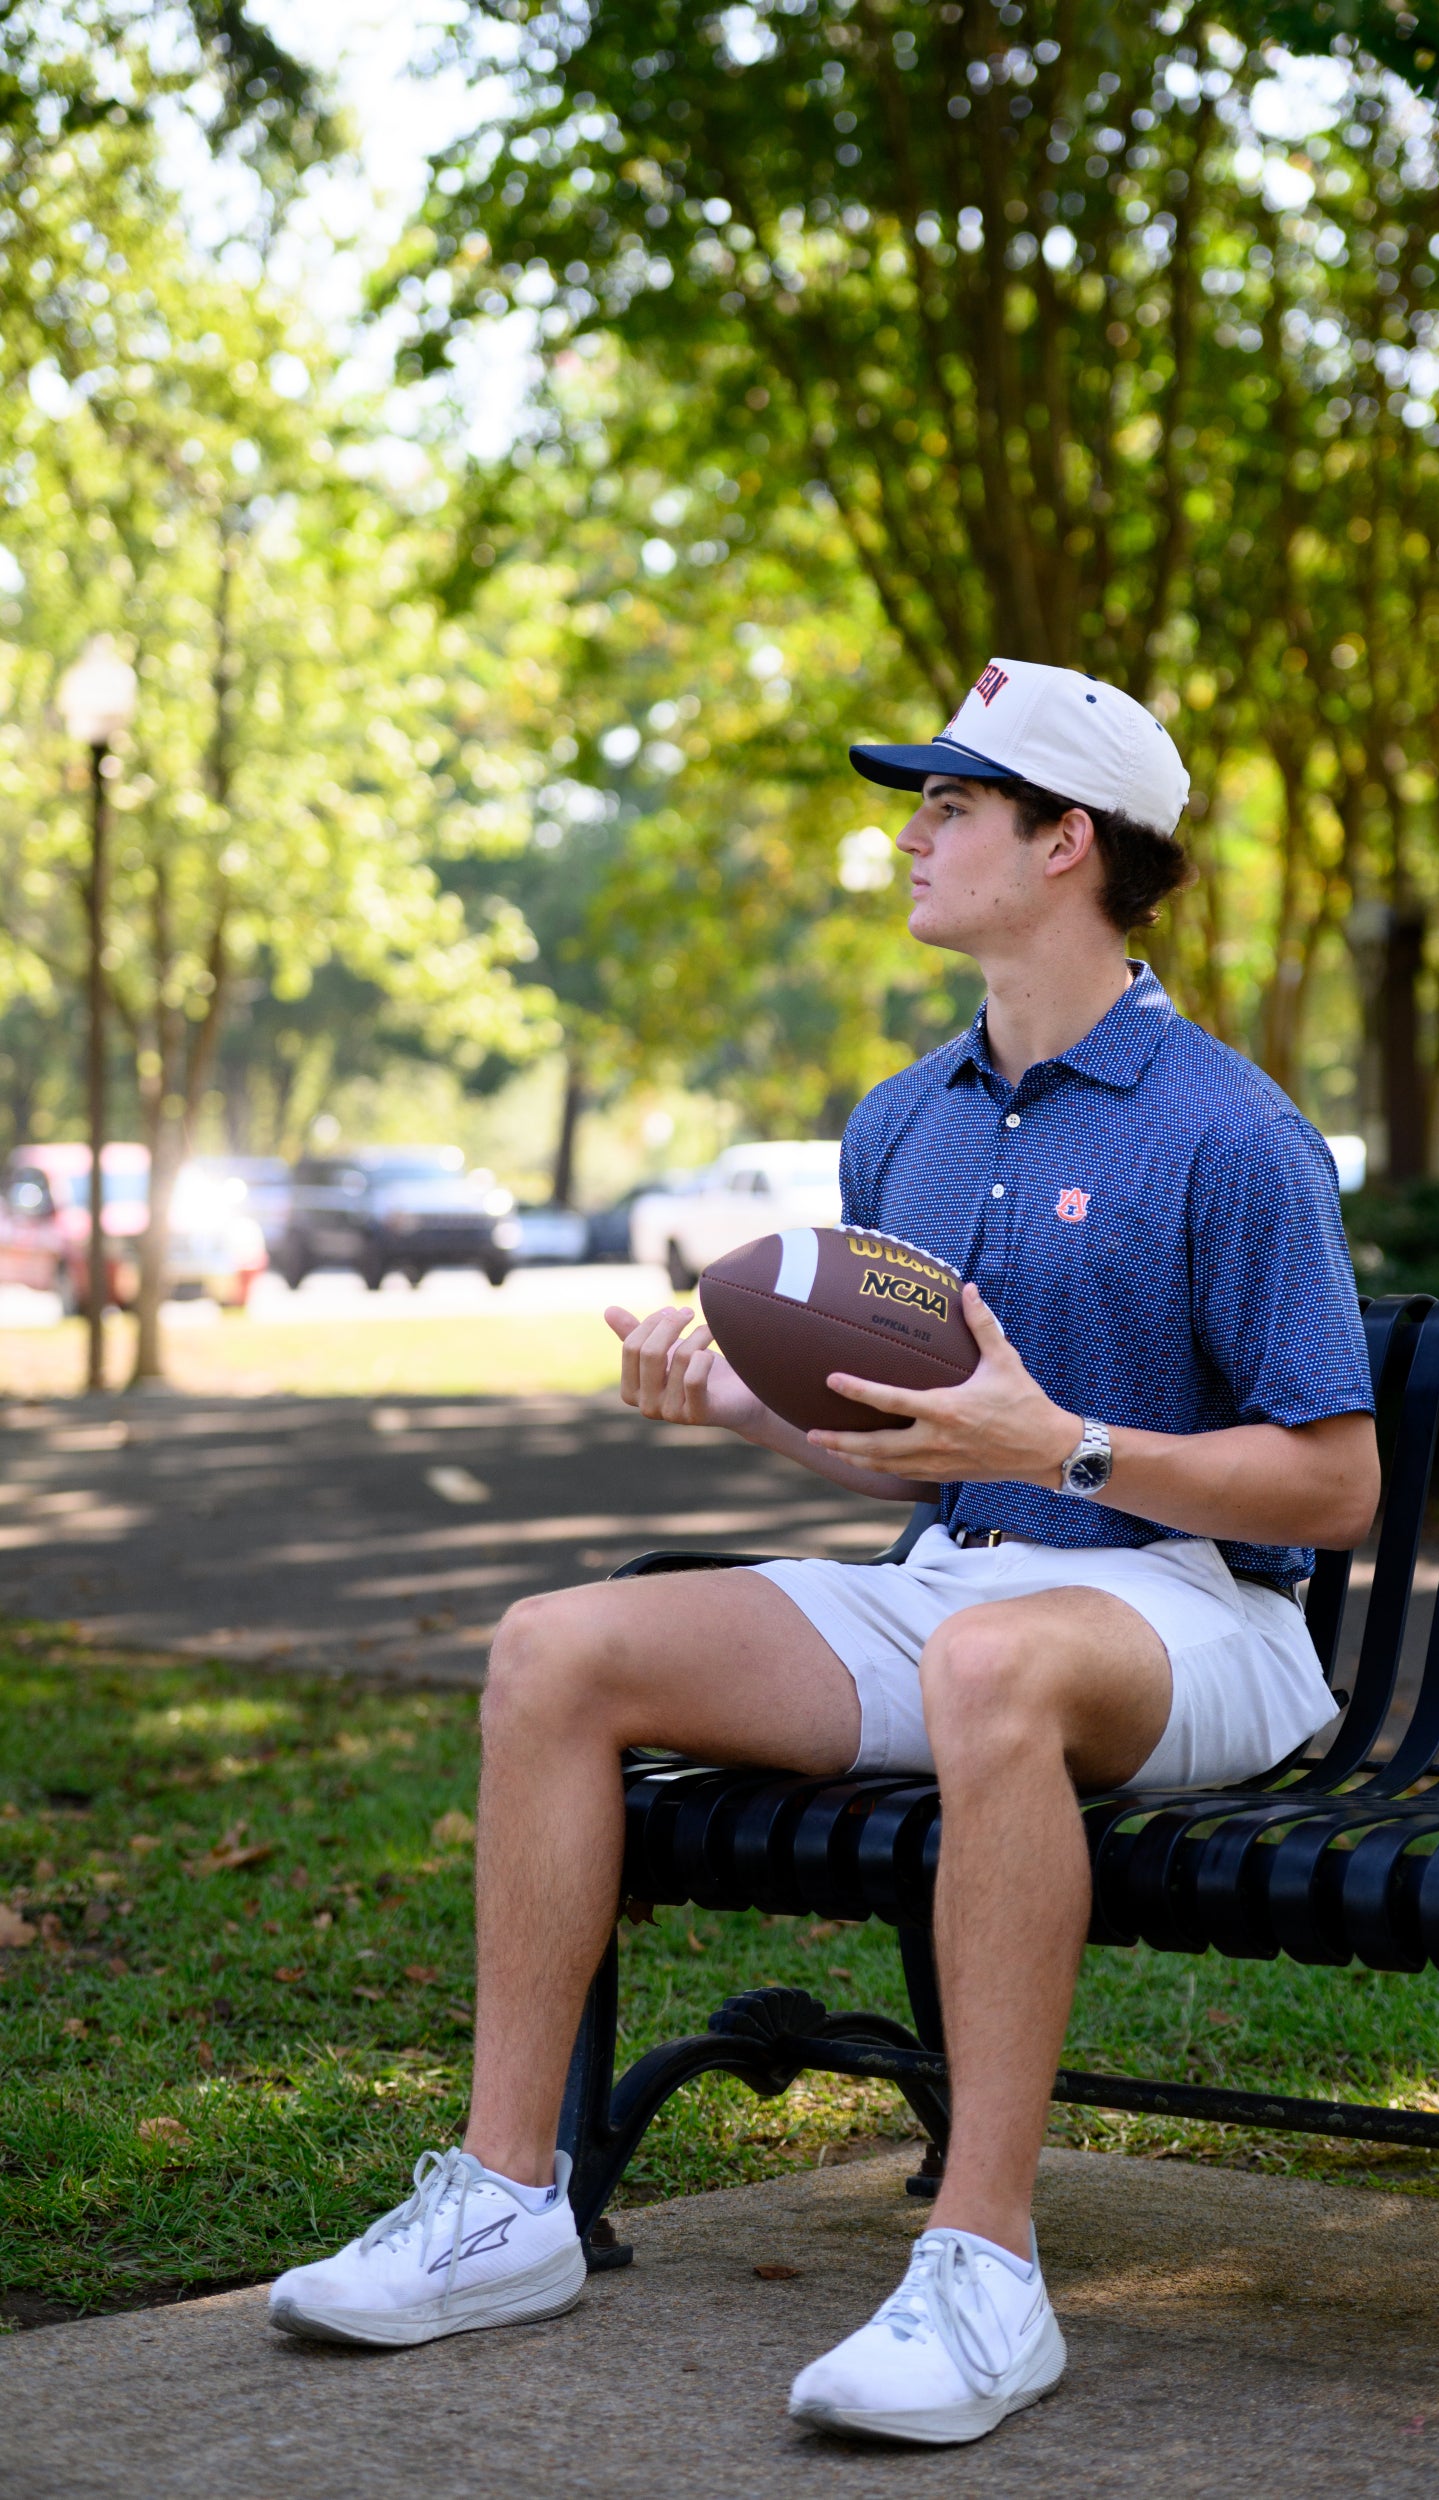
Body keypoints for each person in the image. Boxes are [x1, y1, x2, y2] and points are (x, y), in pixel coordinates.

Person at [268, 658, 1379, 2446]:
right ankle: (505, 2199)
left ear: (1065, 844)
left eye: (953, 802)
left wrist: (1072, 1450)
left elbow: (1336, 1490)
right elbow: (904, 1463)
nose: (916, 831)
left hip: (1191, 1611)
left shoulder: (1230, 1131)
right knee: (559, 1647)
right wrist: (743, 1416)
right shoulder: (906, 1121)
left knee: (990, 1662)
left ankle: (984, 2267)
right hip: (956, 1585)